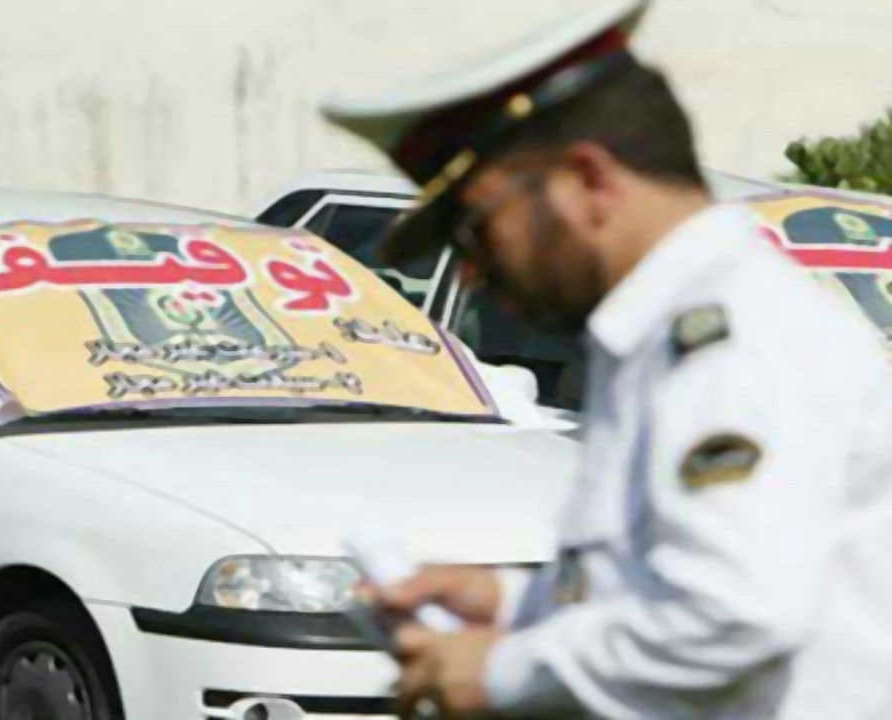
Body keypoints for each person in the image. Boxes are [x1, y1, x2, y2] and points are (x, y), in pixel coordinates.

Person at [320, 0, 892, 717]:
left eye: (476, 225)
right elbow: (668, 584)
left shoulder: (730, 342)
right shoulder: (663, 332)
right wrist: (508, 598)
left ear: (587, 180)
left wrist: (502, 670)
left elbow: (733, 612)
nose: (469, 271)